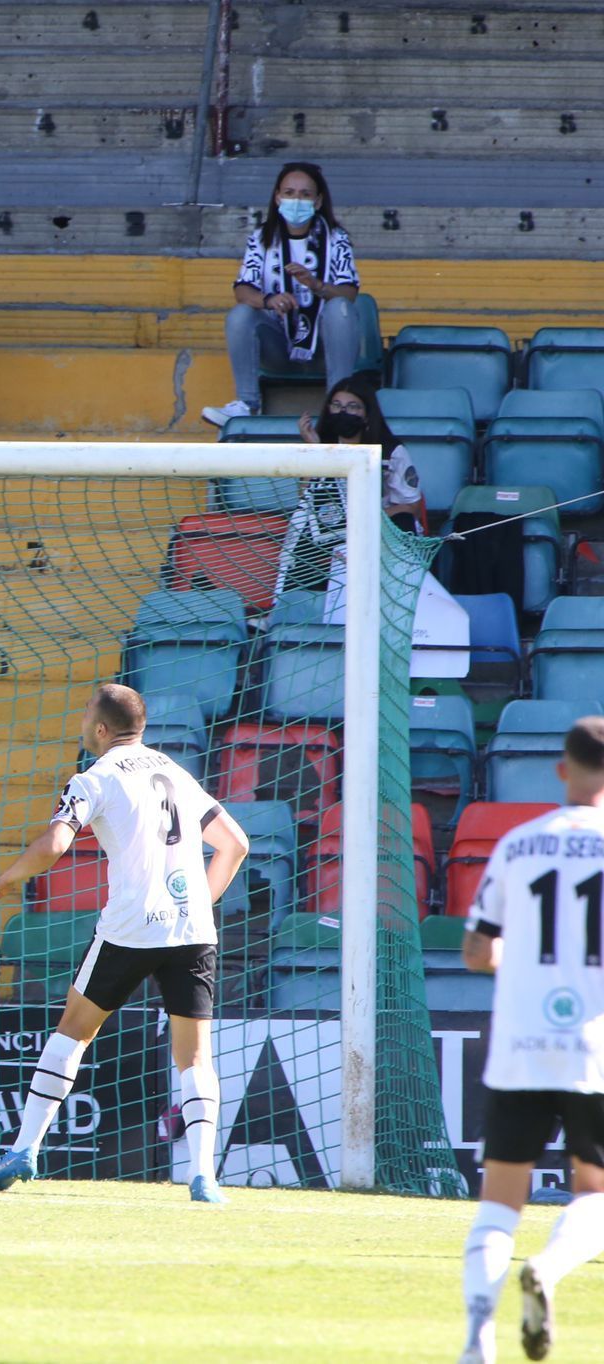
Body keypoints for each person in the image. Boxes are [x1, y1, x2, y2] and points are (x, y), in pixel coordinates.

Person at [0, 683, 251, 1203]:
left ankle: (25, 1149)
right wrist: (200, 905)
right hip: (190, 930)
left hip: (129, 927)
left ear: (101, 729)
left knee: (73, 1031)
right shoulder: (174, 771)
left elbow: (56, 843)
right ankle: (204, 1176)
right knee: (194, 1058)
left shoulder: (93, 778)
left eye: (85, 718)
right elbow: (236, 844)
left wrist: (5, 880)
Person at [457, 716, 604, 1364]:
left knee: (498, 1205)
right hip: (595, 1048)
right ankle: (546, 1268)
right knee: (595, 1193)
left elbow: (475, 951)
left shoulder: (518, 844)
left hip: (520, 1043)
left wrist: (523, 959)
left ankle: (476, 1340)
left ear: (562, 770)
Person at [204, 161, 361, 428]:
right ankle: (246, 405)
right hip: (278, 343)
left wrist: (317, 285)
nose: (296, 200)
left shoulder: (336, 238)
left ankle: (337, 405)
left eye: (305, 194)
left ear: (318, 201)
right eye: (289, 193)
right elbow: (242, 289)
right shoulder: (261, 238)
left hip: (325, 346)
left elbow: (349, 291)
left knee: (340, 308)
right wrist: (268, 300)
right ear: (277, 198)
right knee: (241, 314)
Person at [276, 375, 427, 596]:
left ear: (367, 414)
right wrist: (314, 450)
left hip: (379, 528)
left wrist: (365, 519)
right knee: (301, 523)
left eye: (352, 407)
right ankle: (285, 608)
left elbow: (411, 507)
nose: (343, 412)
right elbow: (306, 498)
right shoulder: (321, 444)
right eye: (336, 405)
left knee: (404, 522)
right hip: (330, 529)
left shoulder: (391, 451)